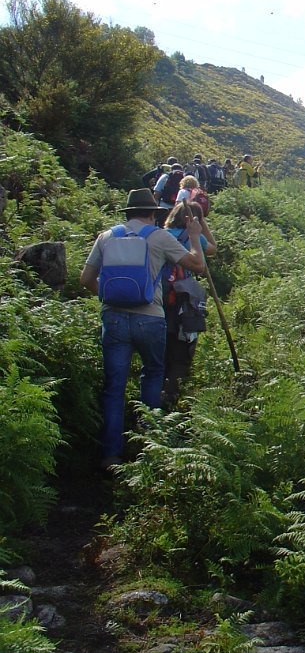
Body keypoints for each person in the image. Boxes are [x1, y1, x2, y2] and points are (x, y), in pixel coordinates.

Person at [79, 188, 206, 471]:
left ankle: (111, 456)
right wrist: (195, 234)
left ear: (128, 213)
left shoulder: (107, 237)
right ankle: (149, 446)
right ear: (152, 213)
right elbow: (197, 265)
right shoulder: (158, 237)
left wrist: (110, 297)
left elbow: (85, 279)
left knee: (114, 387)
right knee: (153, 375)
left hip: (113, 319)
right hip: (150, 317)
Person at [161, 201, 216, 408]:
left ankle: (155, 396)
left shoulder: (161, 235)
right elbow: (213, 248)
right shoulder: (195, 239)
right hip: (184, 300)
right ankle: (171, 398)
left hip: (160, 298)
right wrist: (201, 227)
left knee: (162, 348)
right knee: (182, 347)